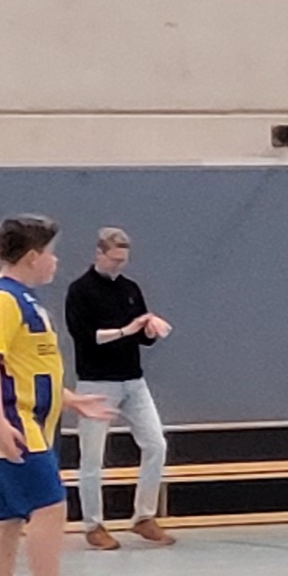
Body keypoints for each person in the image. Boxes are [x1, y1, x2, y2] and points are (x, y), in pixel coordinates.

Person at [0, 216, 117, 576]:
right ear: (33, 257)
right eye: (51, 253)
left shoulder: (26, 302)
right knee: (50, 506)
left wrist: (71, 400)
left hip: (30, 419)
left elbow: (29, 368)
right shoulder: (0, 301)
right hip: (13, 421)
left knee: (6, 518)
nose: (55, 261)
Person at [64, 227, 175, 549]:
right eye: (113, 259)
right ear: (99, 253)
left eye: (123, 260)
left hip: (133, 381)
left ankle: (144, 516)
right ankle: (93, 524)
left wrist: (149, 330)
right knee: (92, 457)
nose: (118, 265)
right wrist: (126, 330)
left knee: (156, 444)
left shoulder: (130, 289)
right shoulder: (80, 290)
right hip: (96, 382)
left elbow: (141, 336)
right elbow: (87, 337)